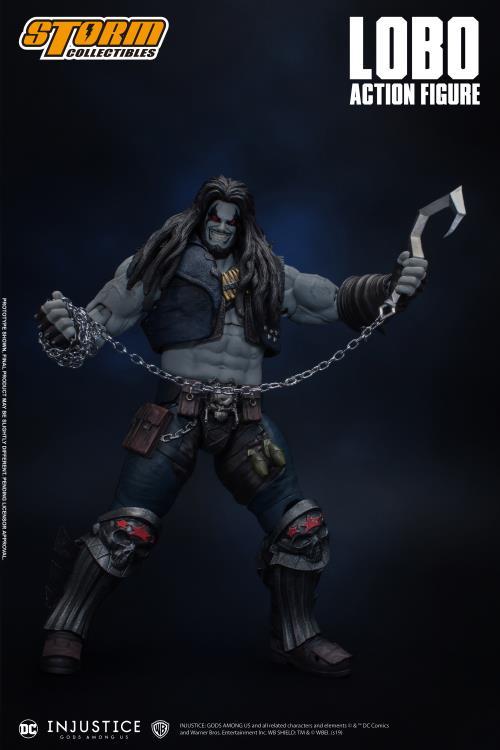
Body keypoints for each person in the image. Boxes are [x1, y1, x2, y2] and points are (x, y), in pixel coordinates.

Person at [36, 175, 427, 676]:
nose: (221, 227)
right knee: (125, 530)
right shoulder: (160, 263)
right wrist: (67, 328)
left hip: (245, 421)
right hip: (176, 417)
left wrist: (391, 288)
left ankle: (296, 635)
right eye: (214, 217)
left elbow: (330, 300)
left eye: (231, 220)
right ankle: (65, 627)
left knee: (302, 527)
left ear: (243, 224)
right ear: (200, 217)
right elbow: (100, 321)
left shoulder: (267, 272)